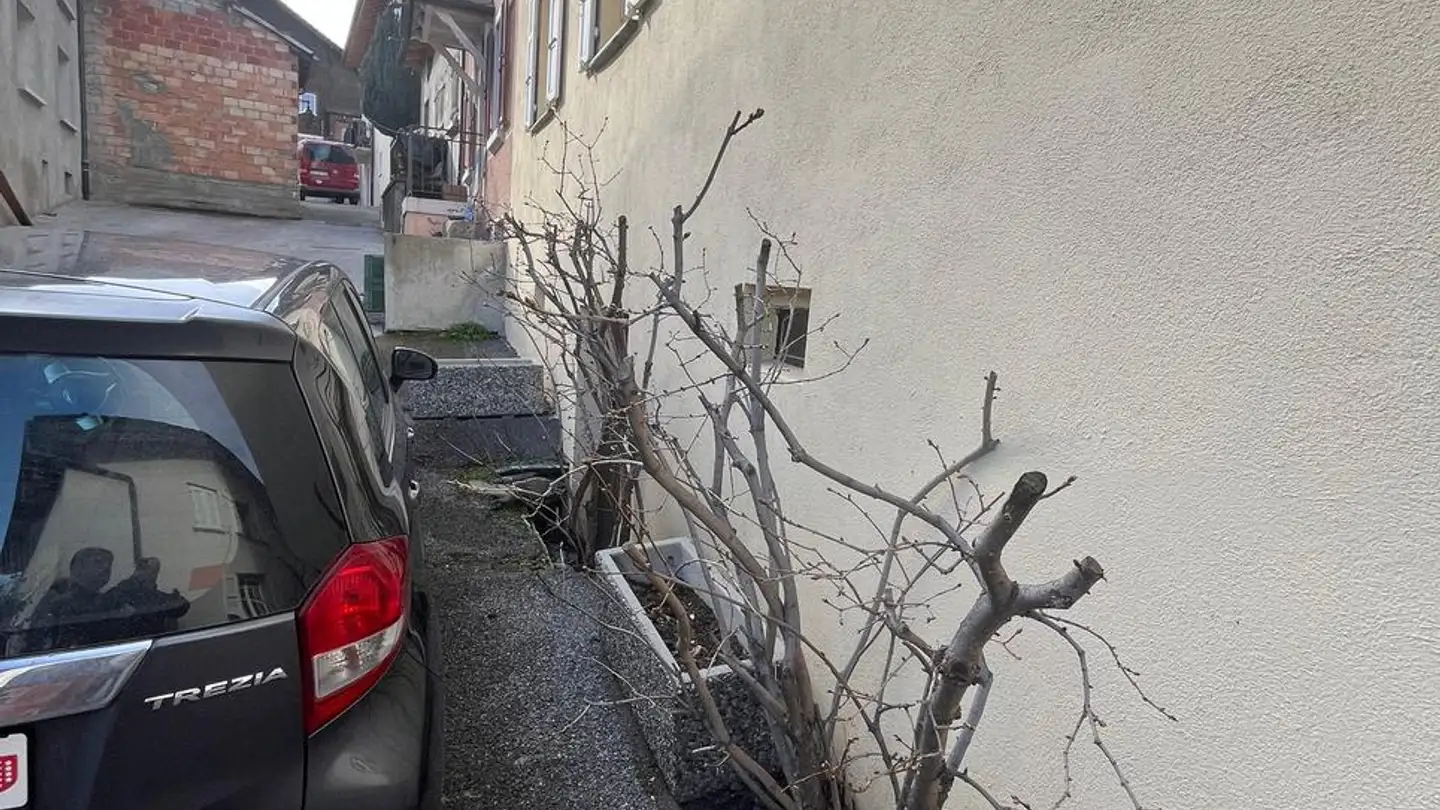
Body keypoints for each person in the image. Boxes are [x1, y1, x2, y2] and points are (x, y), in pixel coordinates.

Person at [25, 546, 115, 651]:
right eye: (98, 562)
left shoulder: (108, 601)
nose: (106, 567)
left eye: (109, 564)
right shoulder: (57, 602)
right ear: (78, 568)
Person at [102, 557, 190, 637]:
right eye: (141, 568)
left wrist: (173, 599)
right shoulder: (119, 593)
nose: (142, 573)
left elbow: (181, 607)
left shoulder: (159, 597)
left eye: (153, 571)